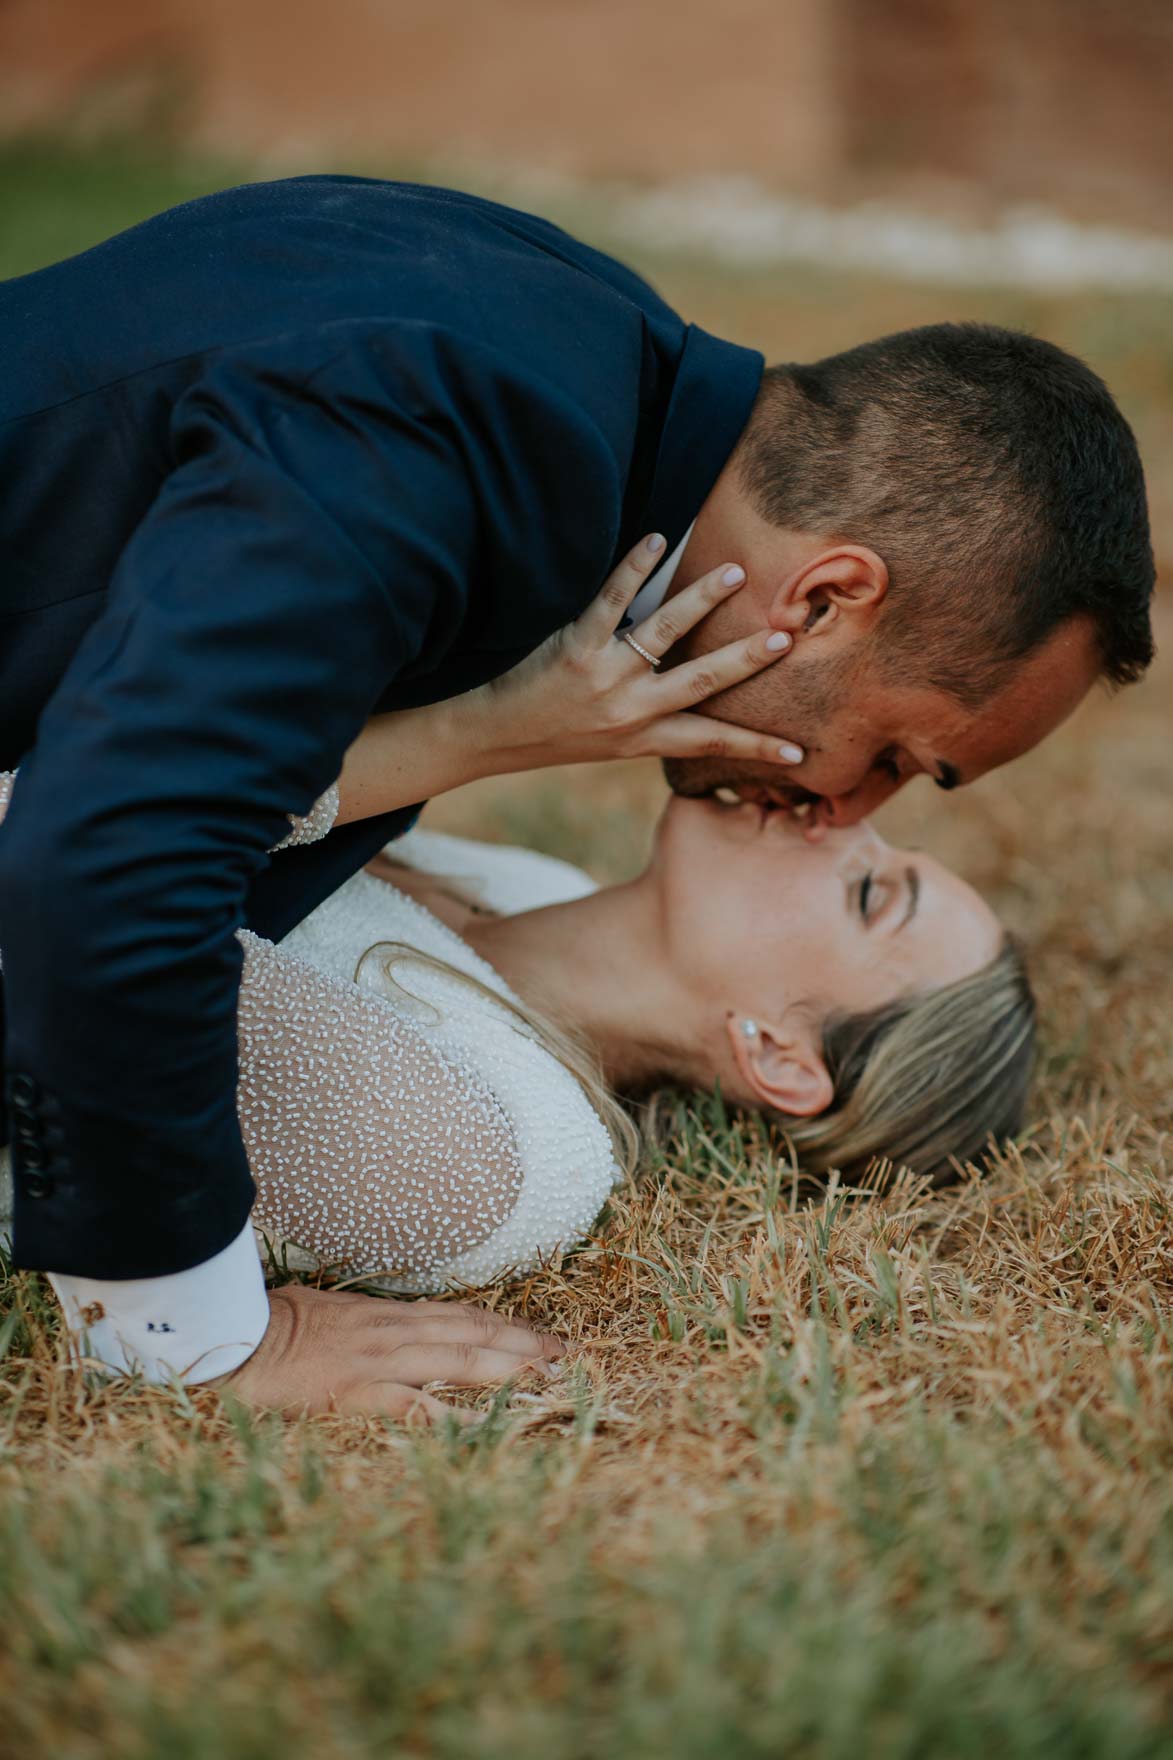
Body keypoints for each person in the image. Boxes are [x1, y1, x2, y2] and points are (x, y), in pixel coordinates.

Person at [0, 177, 1153, 1410]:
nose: (842, 808)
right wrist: (194, 1334)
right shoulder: (474, 440)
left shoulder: (580, 346)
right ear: (820, 601)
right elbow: (116, 848)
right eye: (896, 760)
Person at [1, 542, 1033, 1418]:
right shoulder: (536, 885)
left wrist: (483, 732)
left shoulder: (491, 1159)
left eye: (870, 896)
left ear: (777, 1052)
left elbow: (63, 869)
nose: (838, 814)